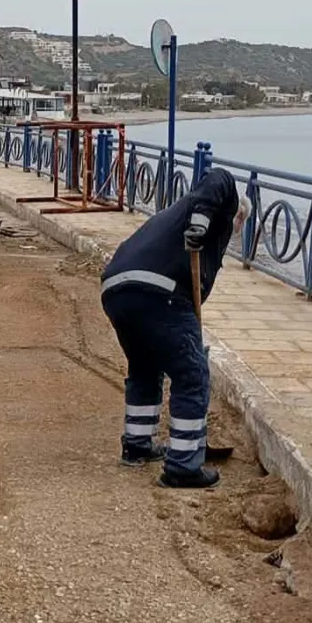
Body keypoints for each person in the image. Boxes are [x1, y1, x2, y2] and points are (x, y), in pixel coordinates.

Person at [99, 167, 244, 489]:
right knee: (192, 374)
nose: (236, 231)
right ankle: (183, 466)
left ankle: (137, 445)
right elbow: (219, 177)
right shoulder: (209, 209)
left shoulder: (171, 220)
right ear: (236, 216)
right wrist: (201, 223)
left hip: (117, 290)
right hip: (158, 291)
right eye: (238, 224)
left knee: (145, 367)